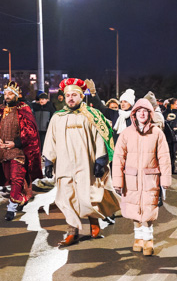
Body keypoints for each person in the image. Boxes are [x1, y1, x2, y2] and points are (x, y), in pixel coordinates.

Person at [43, 78, 120, 247]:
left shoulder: (91, 115)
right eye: (68, 95)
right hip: (63, 165)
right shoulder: (58, 117)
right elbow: (50, 140)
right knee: (65, 198)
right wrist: (48, 160)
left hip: (86, 164)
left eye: (74, 95)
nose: (71, 98)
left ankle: (94, 221)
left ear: (80, 97)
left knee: (88, 196)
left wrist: (100, 159)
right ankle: (72, 230)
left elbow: (100, 137)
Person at [112, 98, 172, 256]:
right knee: (133, 210)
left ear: (150, 114)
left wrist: (165, 182)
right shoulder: (126, 133)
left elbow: (165, 158)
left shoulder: (157, 133)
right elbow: (118, 159)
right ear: (134, 114)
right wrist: (117, 182)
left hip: (150, 179)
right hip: (130, 179)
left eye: (145, 111)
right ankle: (138, 239)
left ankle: (148, 240)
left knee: (148, 211)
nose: (142, 114)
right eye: (139, 111)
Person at [0, 81, 42, 220]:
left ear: (16, 95)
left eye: (10, 93)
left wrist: (16, 143)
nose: (7, 96)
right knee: (10, 179)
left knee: (16, 178)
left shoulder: (24, 109)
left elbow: (30, 133)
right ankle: (24, 196)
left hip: (18, 152)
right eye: (5, 93)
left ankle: (11, 209)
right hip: (2, 153)